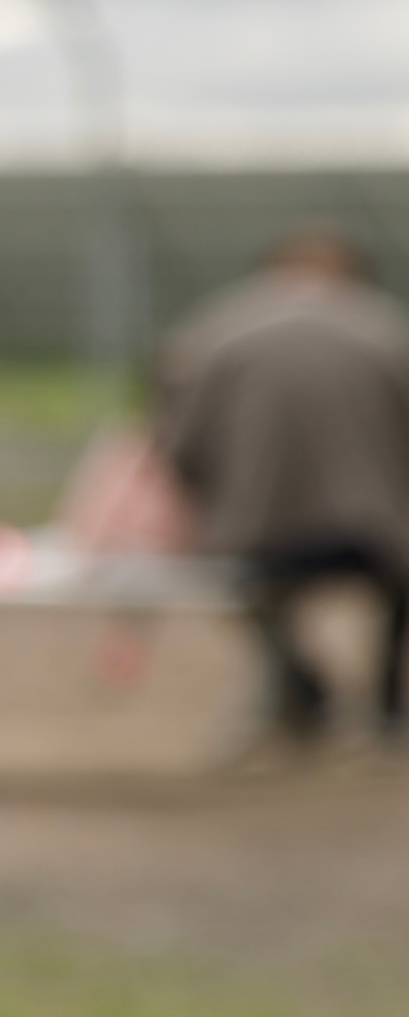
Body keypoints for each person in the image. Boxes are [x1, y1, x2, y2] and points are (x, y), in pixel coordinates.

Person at [157, 226, 409, 745]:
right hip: (381, 533)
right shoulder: (387, 328)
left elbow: (178, 444)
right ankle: (386, 709)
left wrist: (215, 502)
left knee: (251, 592)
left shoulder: (216, 330)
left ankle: (304, 692)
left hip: (258, 531)